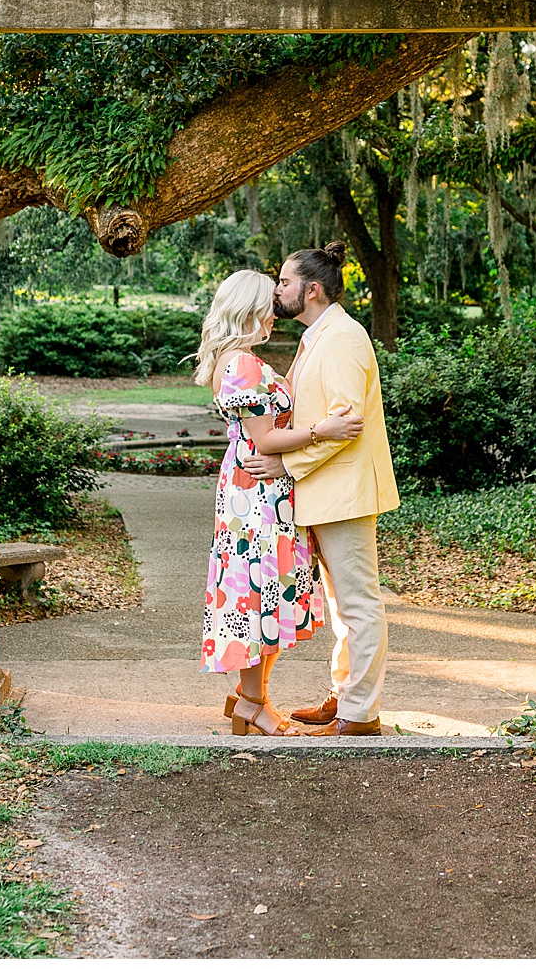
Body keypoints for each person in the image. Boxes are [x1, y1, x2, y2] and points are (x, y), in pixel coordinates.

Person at [192, 268, 363, 737]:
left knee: (268, 593)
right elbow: (265, 440)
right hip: (257, 494)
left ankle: (250, 697)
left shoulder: (241, 359)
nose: (276, 311)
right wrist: (322, 431)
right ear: (250, 309)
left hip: (260, 491)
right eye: (269, 303)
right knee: (257, 594)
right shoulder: (242, 364)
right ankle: (253, 703)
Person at [239, 240, 400, 737]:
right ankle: (344, 696)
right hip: (324, 492)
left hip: (345, 492)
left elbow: (344, 425)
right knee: (341, 607)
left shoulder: (344, 338)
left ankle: (360, 715)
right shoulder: (317, 337)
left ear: (311, 290)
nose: (277, 290)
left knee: (358, 605)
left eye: (284, 282)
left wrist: (285, 463)